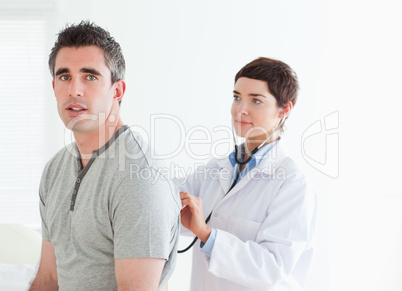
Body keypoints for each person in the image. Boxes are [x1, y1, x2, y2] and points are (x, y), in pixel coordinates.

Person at [29, 21, 180, 291]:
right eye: (64, 77)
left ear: (117, 91)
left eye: (90, 76)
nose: (74, 89)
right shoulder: (54, 171)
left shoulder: (138, 177)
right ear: (54, 88)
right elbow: (48, 279)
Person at [175, 57, 317, 290]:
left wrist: (207, 234)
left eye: (256, 101)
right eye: (236, 97)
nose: (241, 109)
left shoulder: (293, 183)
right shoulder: (216, 169)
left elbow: (273, 267)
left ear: (284, 110)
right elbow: (166, 199)